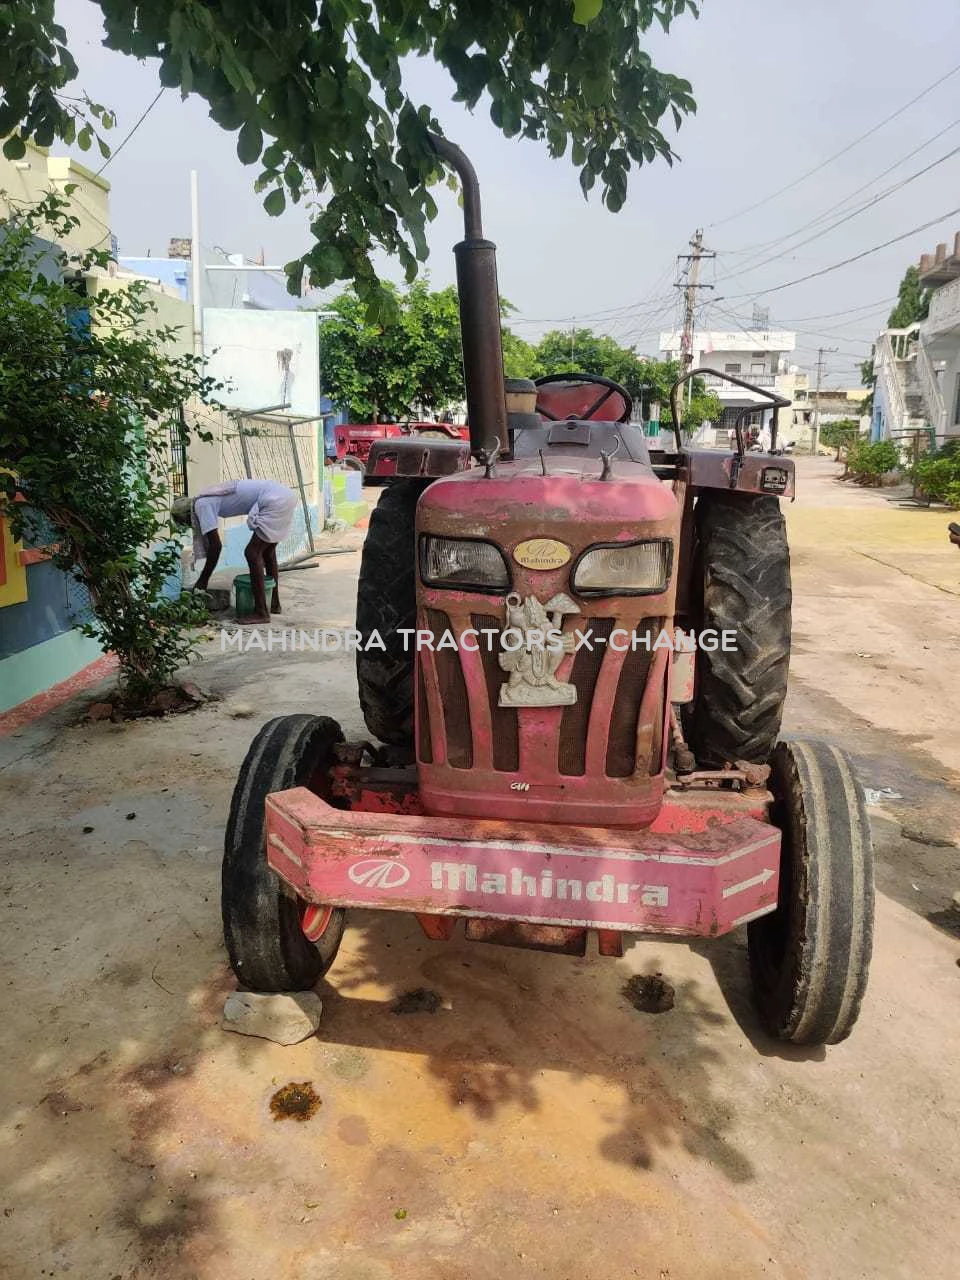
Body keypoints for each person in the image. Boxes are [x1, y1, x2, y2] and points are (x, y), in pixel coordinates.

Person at [172, 479, 297, 623]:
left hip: (274, 500)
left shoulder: (201, 505)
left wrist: (203, 580)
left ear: (187, 515)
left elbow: (215, 546)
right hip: (284, 495)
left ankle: (261, 612)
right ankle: (273, 603)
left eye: (188, 523)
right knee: (268, 553)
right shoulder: (206, 498)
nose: (191, 525)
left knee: (252, 553)